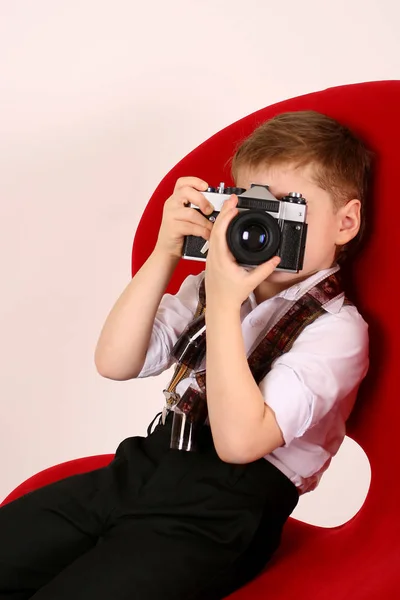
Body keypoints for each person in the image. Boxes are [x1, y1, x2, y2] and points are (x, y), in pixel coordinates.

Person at [0, 111, 371, 599]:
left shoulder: (337, 330)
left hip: (222, 513)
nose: (261, 224)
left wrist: (222, 302)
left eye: (288, 207)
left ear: (345, 222)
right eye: (250, 204)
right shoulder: (209, 285)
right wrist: (166, 252)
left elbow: (239, 444)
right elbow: (115, 361)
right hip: (145, 466)